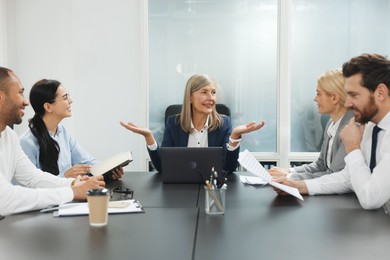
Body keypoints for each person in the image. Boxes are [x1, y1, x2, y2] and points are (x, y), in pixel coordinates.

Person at [274, 53, 390, 210]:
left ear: (380, 93)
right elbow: (349, 177)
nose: (347, 103)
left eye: (353, 95)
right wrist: (299, 185)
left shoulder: (365, 132)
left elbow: (370, 198)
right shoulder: (369, 127)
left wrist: (353, 148)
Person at [0, 67, 105, 216]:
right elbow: (5, 199)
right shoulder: (26, 140)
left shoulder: (9, 136)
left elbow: (33, 178)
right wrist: (71, 192)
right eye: (20, 93)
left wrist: (75, 183)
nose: (26, 102)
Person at [120, 74, 265, 174]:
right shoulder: (174, 123)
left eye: (213, 93)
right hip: (180, 190)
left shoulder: (224, 123)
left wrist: (235, 136)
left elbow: (229, 168)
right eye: (204, 92)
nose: (211, 98)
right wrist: (149, 137)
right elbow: (163, 168)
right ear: (190, 97)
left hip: (212, 188)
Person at [20, 79, 124, 180]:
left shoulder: (63, 133)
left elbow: (86, 162)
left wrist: (109, 170)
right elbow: (28, 185)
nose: (71, 101)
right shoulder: (27, 142)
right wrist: (64, 177)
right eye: (65, 97)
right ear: (48, 107)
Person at [269, 68, 354, 180]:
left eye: (319, 94)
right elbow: (321, 165)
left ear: (334, 98)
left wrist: (290, 177)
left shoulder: (350, 128)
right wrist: (289, 171)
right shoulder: (331, 123)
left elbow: (334, 175)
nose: (315, 99)